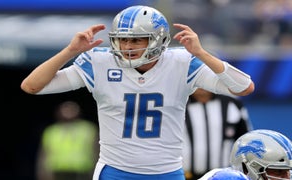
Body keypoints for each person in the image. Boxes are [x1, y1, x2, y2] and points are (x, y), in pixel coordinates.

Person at [20, 5, 254, 180]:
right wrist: (70, 51)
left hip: (167, 172)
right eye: (123, 40)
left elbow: (243, 87)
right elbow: (32, 86)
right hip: (114, 171)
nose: (128, 47)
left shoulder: (182, 63)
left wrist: (201, 53)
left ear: (159, 40)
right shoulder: (99, 63)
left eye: (136, 40)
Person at [183, 88, 253, 180]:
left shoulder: (232, 104)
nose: (200, 84)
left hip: (223, 176)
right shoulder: (177, 104)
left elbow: (246, 141)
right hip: (186, 176)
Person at [36, 101, 98, 180]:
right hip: (57, 171)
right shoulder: (51, 131)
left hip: (82, 171)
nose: (69, 111)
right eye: (66, 108)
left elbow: (97, 151)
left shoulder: (88, 129)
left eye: (72, 108)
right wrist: (42, 172)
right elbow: (43, 154)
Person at [199, 129, 292, 180]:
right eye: (278, 171)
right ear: (246, 169)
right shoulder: (226, 177)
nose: (287, 178)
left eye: (288, 171)